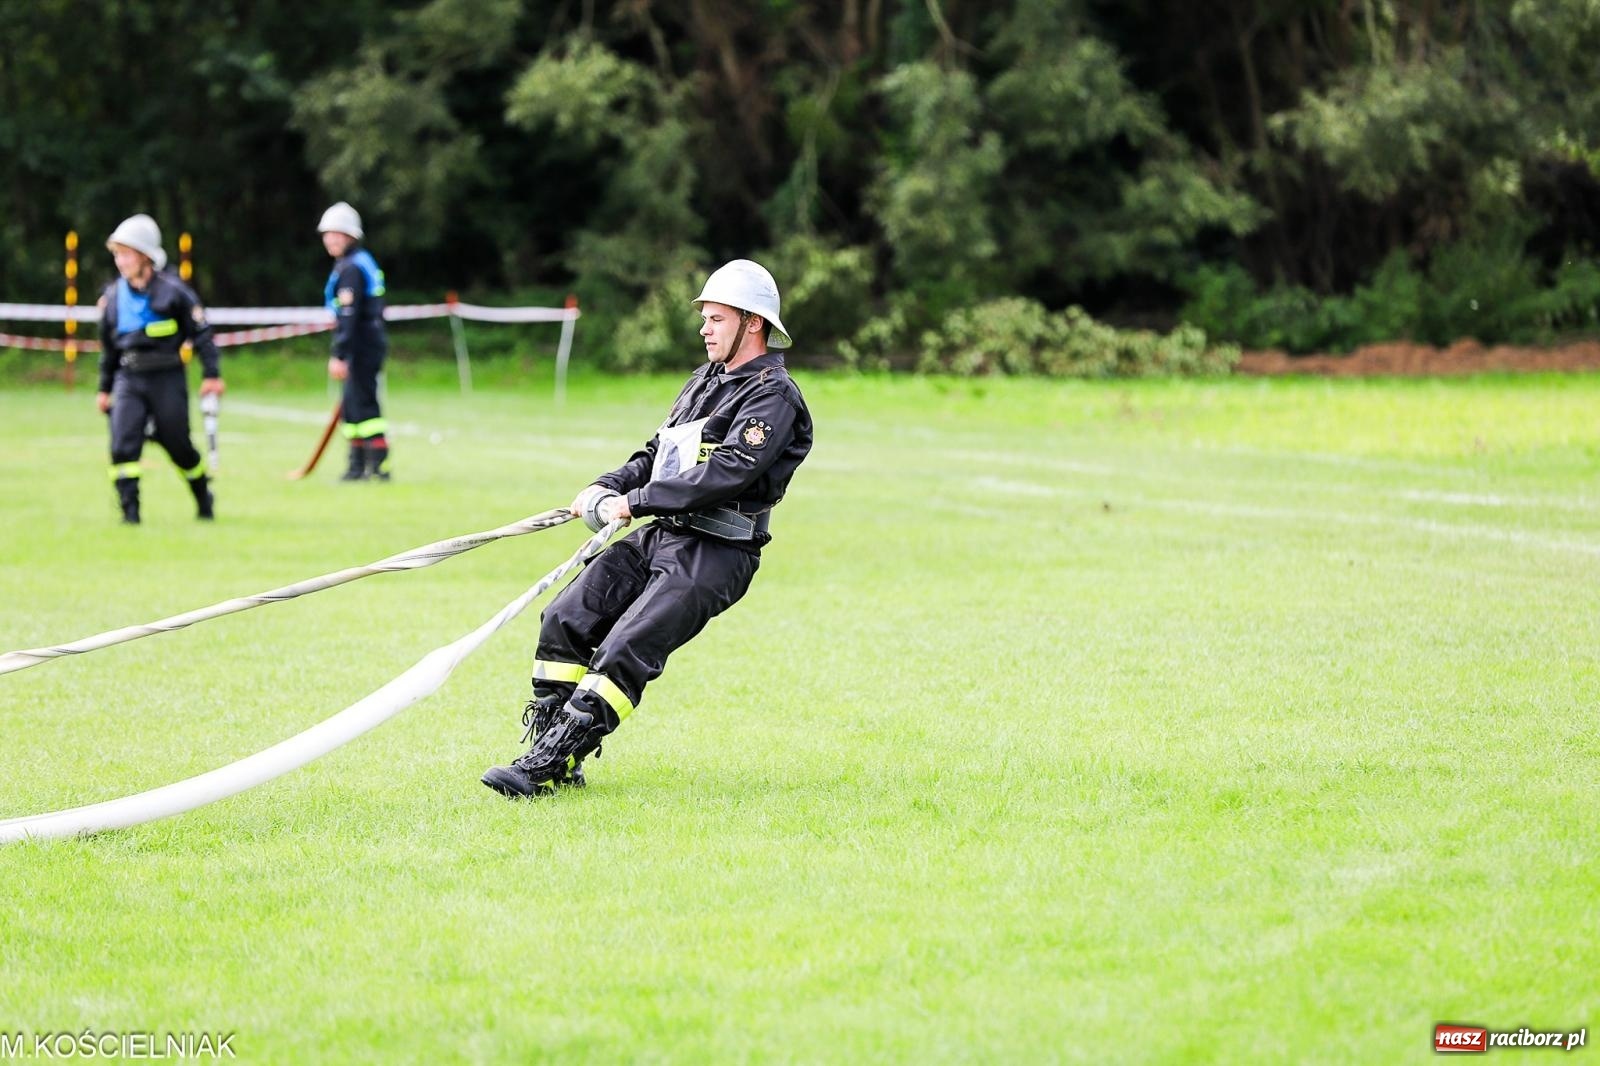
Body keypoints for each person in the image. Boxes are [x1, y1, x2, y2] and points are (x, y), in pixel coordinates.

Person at [482, 259, 814, 797]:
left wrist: (636, 502)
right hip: (666, 533)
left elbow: (728, 472)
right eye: (704, 318)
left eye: (717, 319)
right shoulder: (703, 382)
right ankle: (558, 756)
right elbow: (658, 454)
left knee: (627, 644)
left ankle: (544, 766)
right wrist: (605, 487)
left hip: (718, 550)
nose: (704, 329)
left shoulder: (772, 396)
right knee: (566, 616)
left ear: (753, 323)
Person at [96, 214, 224, 525]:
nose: (120, 261)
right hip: (129, 378)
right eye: (117, 255)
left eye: (125, 254)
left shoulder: (175, 292)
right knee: (122, 443)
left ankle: (202, 495)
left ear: (145, 256)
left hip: (167, 377)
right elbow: (109, 348)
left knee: (178, 443)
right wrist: (104, 388)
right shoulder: (112, 298)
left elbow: (202, 334)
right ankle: (130, 513)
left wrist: (212, 374)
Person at [318, 201, 391, 481]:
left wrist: (339, 354)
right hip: (363, 344)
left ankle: (377, 465)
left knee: (364, 405)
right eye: (327, 235)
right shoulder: (355, 263)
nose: (330, 240)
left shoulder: (351, 269)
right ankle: (357, 465)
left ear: (350, 236)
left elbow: (349, 316)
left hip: (361, 345)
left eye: (336, 235)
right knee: (352, 405)